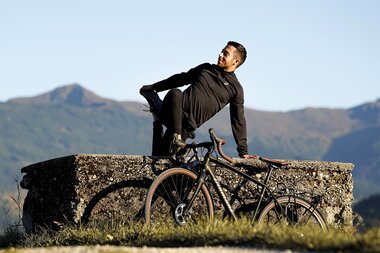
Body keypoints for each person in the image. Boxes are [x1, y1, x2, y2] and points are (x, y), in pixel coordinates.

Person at [140, 41, 256, 158]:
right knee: (176, 93)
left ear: (235, 61)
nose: (220, 55)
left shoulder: (235, 89)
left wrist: (243, 151)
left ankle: (157, 118)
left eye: (225, 54)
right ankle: (175, 134)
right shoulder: (206, 68)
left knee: (158, 159)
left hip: (185, 127)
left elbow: (238, 119)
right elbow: (181, 79)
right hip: (172, 113)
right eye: (221, 51)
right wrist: (154, 87)